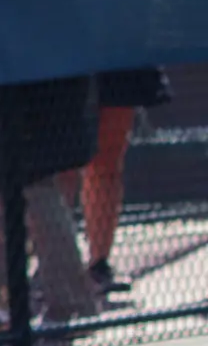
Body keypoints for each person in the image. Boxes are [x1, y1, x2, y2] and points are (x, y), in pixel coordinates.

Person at [0, 75, 101, 332]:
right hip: (19, 80)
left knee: (32, 181)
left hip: (44, 83)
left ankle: (72, 306)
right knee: (19, 184)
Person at [72, 66, 172, 296]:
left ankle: (99, 265)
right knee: (59, 169)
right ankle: (51, 268)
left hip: (115, 62)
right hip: (67, 64)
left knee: (108, 160)